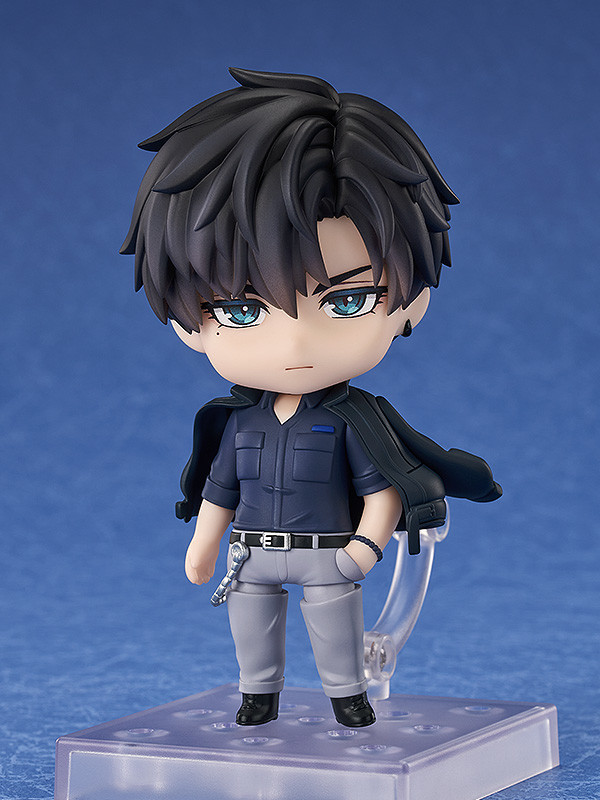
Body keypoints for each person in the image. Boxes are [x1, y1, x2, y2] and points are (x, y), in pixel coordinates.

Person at [121, 68, 501, 728]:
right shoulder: (236, 423)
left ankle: (347, 696)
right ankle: (258, 695)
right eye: (242, 310)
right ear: (188, 325)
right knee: (252, 629)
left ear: (410, 305)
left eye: (346, 301)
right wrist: (203, 545)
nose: (296, 341)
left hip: (329, 551)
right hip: (251, 552)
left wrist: (366, 548)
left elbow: (382, 490)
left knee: (334, 631)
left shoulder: (353, 421)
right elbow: (219, 491)